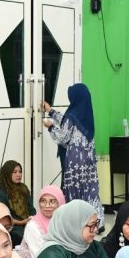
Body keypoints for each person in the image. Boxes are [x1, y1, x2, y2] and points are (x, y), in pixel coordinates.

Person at [42, 83, 104, 229]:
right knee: (90, 189)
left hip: (76, 160)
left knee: (75, 189)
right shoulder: (86, 114)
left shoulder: (72, 114)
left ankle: (77, 223)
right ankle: (97, 221)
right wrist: (51, 111)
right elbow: (67, 122)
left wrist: (50, 127)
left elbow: (63, 136)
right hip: (88, 159)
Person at [0, 160, 34, 247]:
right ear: (7, 173)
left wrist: (33, 219)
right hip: (12, 228)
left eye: (20, 172)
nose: (19, 174)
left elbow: (31, 208)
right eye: (15, 172)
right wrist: (22, 222)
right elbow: (1, 218)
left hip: (28, 223)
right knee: (23, 238)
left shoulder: (23, 188)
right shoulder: (0, 193)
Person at [20, 185, 64, 258]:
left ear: (60, 203)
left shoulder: (63, 221)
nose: (47, 205)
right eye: (43, 201)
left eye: (52, 201)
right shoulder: (32, 226)